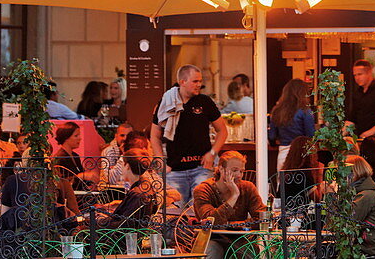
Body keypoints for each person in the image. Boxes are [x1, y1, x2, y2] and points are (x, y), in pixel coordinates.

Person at [150, 63, 227, 206]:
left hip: (201, 168)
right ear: (182, 82)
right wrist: (160, 160)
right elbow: (154, 135)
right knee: (174, 213)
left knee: (201, 209)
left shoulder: (204, 102)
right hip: (174, 169)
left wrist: (212, 153)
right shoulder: (166, 102)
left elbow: (222, 130)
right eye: (195, 81)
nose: (199, 84)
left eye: (200, 81)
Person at [193, 150, 266, 259]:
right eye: (234, 170)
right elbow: (211, 222)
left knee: (249, 251)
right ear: (221, 169)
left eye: (241, 171)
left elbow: (262, 218)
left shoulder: (247, 187)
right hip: (212, 238)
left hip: (239, 238)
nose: (239, 175)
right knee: (212, 250)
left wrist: (232, 224)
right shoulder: (203, 189)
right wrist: (234, 196)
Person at [94, 153, 157, 229]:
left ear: (127, 166)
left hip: (122, 236)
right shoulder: (146, 187)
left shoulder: (137, 194)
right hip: (135, 232)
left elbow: (124, 225)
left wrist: (100, 220)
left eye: (121, 164)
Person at [268, 78, 316, 168]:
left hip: (283, 152)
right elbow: (311, 135)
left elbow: (272, 137)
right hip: (301, 154)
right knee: (302, 180)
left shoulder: (277, 110)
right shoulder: (305, 111)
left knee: (283, 180)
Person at [277, 135, 323, 206]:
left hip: (283, 212)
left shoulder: (287, 171)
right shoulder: (304, 174)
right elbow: (317, 199)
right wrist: (320, 173)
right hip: (298, 215)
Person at [53, 121, 97, 188]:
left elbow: (82, 181)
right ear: (66, 138)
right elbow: (61, 182)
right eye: (76, 136)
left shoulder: (75, 156)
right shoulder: (59, 158)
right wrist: (81, 176)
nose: (80, 138)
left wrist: (91, 178)